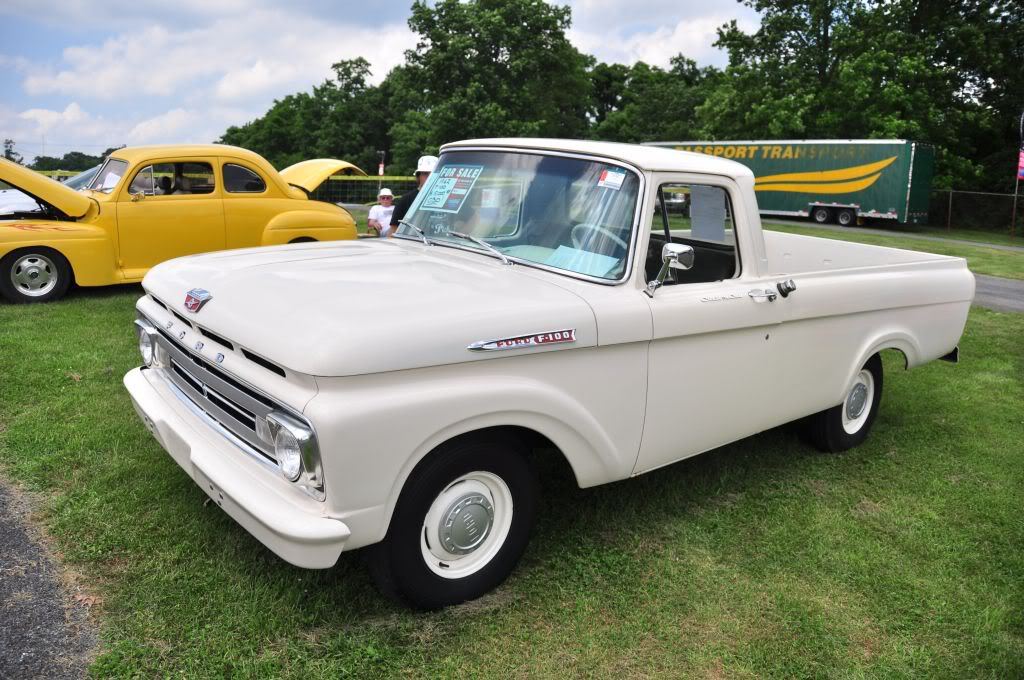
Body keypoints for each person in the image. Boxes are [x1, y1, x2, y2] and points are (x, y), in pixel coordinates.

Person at [389, 155, 438, 237]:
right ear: (418, 176)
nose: (429, 177)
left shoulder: (448, 199)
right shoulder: (405, 200)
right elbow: (393, 230)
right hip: (413, 246)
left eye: (433, 174)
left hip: (444, 246)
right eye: (425, 174)